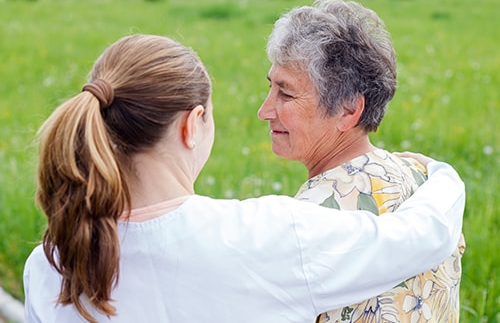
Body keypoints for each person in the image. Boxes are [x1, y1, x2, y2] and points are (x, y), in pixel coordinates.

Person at [23, 34, 464, 323]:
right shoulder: (266, 237)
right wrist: (442, 175)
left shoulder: (49, 266)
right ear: (192, 124)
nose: (265, 109)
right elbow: (423, 236)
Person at [258, 0, 465, 323]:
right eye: (270, 87)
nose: (264, 111)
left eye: (286, 94)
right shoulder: (425, 180)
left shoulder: (309, 218)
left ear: (349, 110)